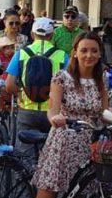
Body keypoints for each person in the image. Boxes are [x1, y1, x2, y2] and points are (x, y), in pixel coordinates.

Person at [14, 32, 108, 198]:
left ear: (100, 54)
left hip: (87, 147)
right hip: (63, 144)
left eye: (94, 51)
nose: (89, 55)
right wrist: (56, 118)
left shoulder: (102, 79)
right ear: (75, 52)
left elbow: (103, 113)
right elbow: (52, 110)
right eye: (84, 50)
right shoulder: (62, 78)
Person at [5, 18, 69, 147]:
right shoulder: (62, 56)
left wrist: (21, 95)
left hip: (27, 109)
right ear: (52, 35)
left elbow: (9, 85)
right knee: (50, 153)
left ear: (32, 34)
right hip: (53, 112)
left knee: (25, 154)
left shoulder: (21, 54)